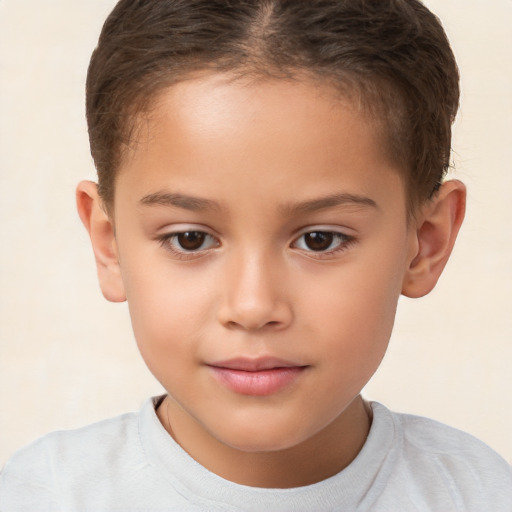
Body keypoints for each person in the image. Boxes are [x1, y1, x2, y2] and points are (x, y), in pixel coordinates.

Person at [1, 0, 511, 510]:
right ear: (109, 243)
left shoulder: (481, 495)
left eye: (320, 240)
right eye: (190, 239)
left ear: (425, 241)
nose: (252, 306)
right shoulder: (38, 495)